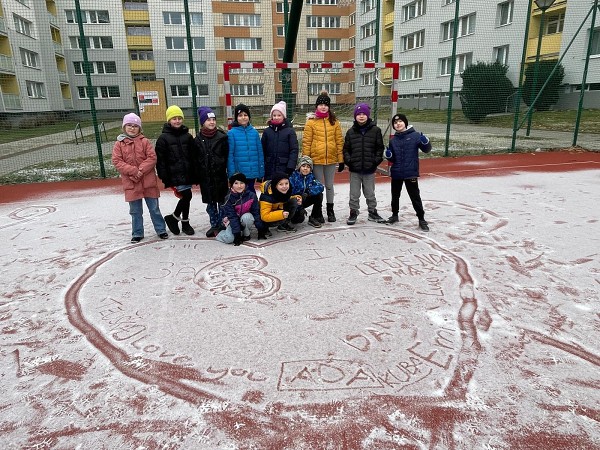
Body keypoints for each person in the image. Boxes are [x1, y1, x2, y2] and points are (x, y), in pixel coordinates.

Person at [111, 113, 168, 243]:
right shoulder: (119, 144)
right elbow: (117, 161)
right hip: (131, 183)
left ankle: (161, 229)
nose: (132, 128)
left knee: (154, 208)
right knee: (135, 211)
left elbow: (152, 158)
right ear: (124, 127)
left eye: (135, 126)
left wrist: (140, 171)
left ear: (140, 128)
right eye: (129, 125)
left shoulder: (145, 142)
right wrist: (133, 171)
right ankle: (137, 232)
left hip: (148, 181)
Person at [384, 113, 432, 231]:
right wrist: (388, 156)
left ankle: (421, 219)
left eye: (400, 121)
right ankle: (394, 215)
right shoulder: (393, 140)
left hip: (410, 172)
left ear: (405, 123)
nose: (398, 124)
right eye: (395, 123)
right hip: (396, 173)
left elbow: (427, 150)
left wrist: (426, 142)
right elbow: (393, 158)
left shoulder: (415, 135)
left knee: (415, 196)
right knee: (395, 196)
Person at [302, 91, 344, 223]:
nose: (323, 107)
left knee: (330, 185)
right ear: (316, 106)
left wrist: (341, 159)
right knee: (317, 186)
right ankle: (318, 211)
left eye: (326, 104)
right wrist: (306, 161)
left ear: (329, 107)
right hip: (316, 160)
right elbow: (306, 142)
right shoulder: (311, 122)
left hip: (331, 159)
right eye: (320, 104)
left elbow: (339, 141)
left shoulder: (334, 122)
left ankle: (330, 210)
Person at [156, 105, 197, 235]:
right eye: (174, 118)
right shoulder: (163, 138)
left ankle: (182, 221)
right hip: (174, 173)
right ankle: (177, 219)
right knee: (187, 196)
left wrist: (195, 171)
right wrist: (164, 176)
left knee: (187, 196)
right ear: (169, 120)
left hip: (187, 172)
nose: (177, 121)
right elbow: (160, 160)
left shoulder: (188, 136)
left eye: (179, 118)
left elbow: (193, 155)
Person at [343, 103, 385, 225]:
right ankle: (353, 212)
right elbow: (346, 149)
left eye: (364, 114)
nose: (361, 116)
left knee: (370, 193)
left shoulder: (376, 130)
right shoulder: (351, 132)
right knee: (354, 193)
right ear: (355, 116)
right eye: (359, 114)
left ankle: (372, 212)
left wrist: (375, 161)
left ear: (367, 115)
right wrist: (349, 161)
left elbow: (379, 148)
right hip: (355, 169)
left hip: (369, 169)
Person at [195, 106, 229, 238]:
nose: (212, 122)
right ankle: (214, 224)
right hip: (206, 178)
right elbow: (196, 158)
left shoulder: (222, 137)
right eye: (208, 119)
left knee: (222, 202)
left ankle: (222, 223)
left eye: (214, 119)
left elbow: (226, 155)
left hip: (220, 176)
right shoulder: (197, 139)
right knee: (210, 204)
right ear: (203, 122)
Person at [216, 172, 267, 245]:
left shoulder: (251, 196)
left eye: (241, 183)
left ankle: (246, 234)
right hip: (231, 221)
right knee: (229, 239)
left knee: (247, 217)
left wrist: (260, 229)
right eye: (236, 183)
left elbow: (256, 212)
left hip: (244, 218)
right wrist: (236, 234)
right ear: (232, 185)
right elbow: (232, 217)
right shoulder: (228, 198)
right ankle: (220, 233)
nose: (239, 186)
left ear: (245, 184)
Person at [227, 103, 264, 194]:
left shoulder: (254, 133)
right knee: (240, 197)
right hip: (239, 173)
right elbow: (230, 155)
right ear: (236, 117)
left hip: (252, 171)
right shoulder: (231, 133)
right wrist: (232, 174)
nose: (243, 117)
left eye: (245, 115)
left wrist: (261, 171)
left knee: (251, 194)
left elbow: (260, 153)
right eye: (240, 115)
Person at [261, 101, 299, 180]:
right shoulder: (267, 131)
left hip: (284, 168)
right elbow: (262, 150)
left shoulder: (290, 132)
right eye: (274, 115)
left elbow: (294, 150)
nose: (276, 117)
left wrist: (290, 167)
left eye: (279, 115)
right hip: (269, 168)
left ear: (283, 116)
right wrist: (262, 166)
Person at [288, 155, 325, 228]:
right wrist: (300, 207)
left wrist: (308, 192)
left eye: (308, 167)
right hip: (295, 202)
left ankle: (314, 217)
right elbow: (290, 195)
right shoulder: (293, 177)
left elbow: (320, 186)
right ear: (299, 167)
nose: (305, 168)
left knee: (319, 195)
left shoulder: (310, 176)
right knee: (297, 220)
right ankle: (291, 216)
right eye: (303, 166)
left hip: (304, 198)